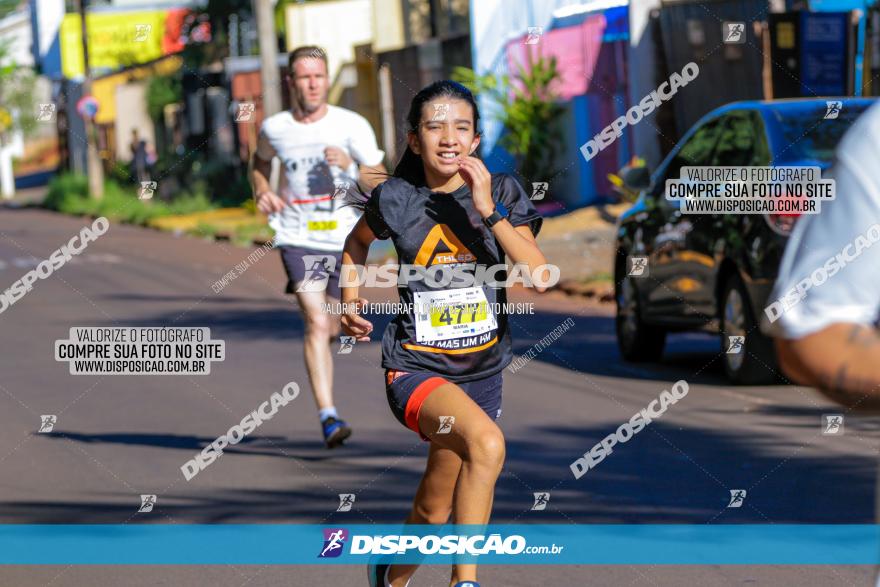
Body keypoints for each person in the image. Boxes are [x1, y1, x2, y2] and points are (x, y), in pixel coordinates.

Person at [340, 80, 548, 587]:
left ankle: (389, 573)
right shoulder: (396, 198)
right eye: (435, 126)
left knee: (433, 510)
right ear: (414, 140)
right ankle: (466, 581)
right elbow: (355, 243)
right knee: (489, 446)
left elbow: (539, 275)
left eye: (461, 127)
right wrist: (350, 301)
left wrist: (486, 209)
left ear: (476, 140)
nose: (449, 137)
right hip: (415, 369)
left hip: (482, 372)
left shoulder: (501, 192)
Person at [251, 45, 387, 448]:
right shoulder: (275, 128)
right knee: (316, 320)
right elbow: (258, 163)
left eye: (318, 76)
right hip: (298, 237)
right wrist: (261, 190)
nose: (312, 84)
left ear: (326, 79)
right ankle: (329, 415)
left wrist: (349, 163)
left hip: (346, 240)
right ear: (291, 81)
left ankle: (326, 381)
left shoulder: (352, 124)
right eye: (303, 77)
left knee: (330, 323)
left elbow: (379, 178)